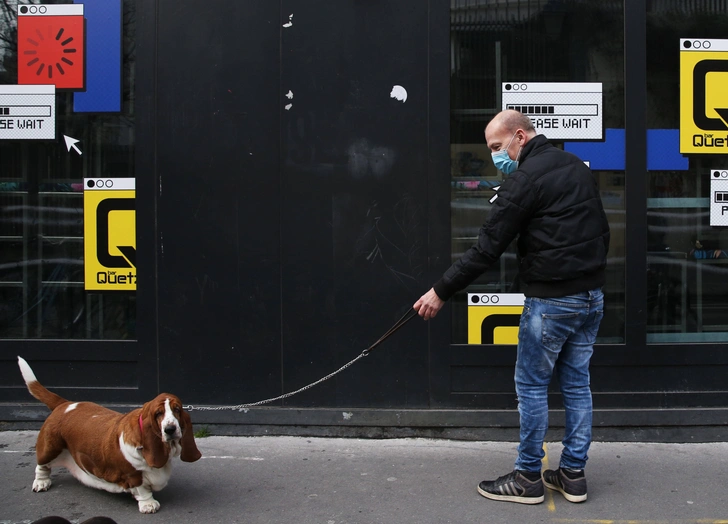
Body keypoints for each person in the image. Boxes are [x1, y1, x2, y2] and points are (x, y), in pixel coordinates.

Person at [414, 109, 610, 505]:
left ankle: (526, 478)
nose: (495, 156)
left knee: (532, 387)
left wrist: (440, 291)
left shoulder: (524, 179)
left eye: (497, 147)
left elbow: (487, 249)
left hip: (552, 300)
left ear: (520, 136)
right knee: (576, 385)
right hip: (591, 297)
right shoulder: (574, 166)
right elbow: (601, 229)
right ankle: (572, 474)